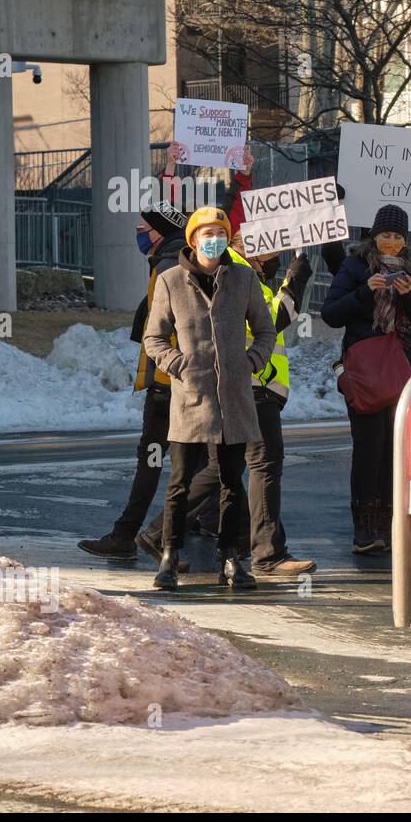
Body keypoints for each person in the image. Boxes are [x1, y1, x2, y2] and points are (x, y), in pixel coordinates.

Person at [135, 241, 316, 577]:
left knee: (224, 471)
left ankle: (159, 533)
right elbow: (277, 317)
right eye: (262, 238)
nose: (273, 245)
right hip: (248, 385)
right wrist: (299, 270)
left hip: (251, 383)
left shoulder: (244, 272)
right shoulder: (235, 273)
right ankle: (268, 554)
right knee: (263, 463)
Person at [143, 205, 277, 591]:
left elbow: (265, 330)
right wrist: (178, 364)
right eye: (206, 233)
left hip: (235, 396)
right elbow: (154, 337)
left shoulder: (244, 278)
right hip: (190, 396)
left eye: (220, 232)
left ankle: (231, 558)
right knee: (180, 482)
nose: (214, 239)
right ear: (193, 239)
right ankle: (169, 555)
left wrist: (250, 361)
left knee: (232, 481)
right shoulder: (171, 281)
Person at [320, 203, 411, 555]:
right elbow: (330, 314)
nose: (391, 242)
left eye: (398, 236)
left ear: (406, 240)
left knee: (402, 448)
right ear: (374, 235)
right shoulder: (355, 265)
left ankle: (390, 521)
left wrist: (408, 299)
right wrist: (364, 292)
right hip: (367, 371)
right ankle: (364, 526)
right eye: (385, 235)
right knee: (369, 448)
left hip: (405, 371)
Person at [78, 192, 186, 563]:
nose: (139, 232)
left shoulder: (169, 266)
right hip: (176, 385)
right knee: (183, 465)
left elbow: (168, 330)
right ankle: (150, 535)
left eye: (143, 227)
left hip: (171, 387)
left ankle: (143, 536)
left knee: (162, 461)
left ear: (158, 232)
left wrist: (163, 380)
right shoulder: (174, 257)